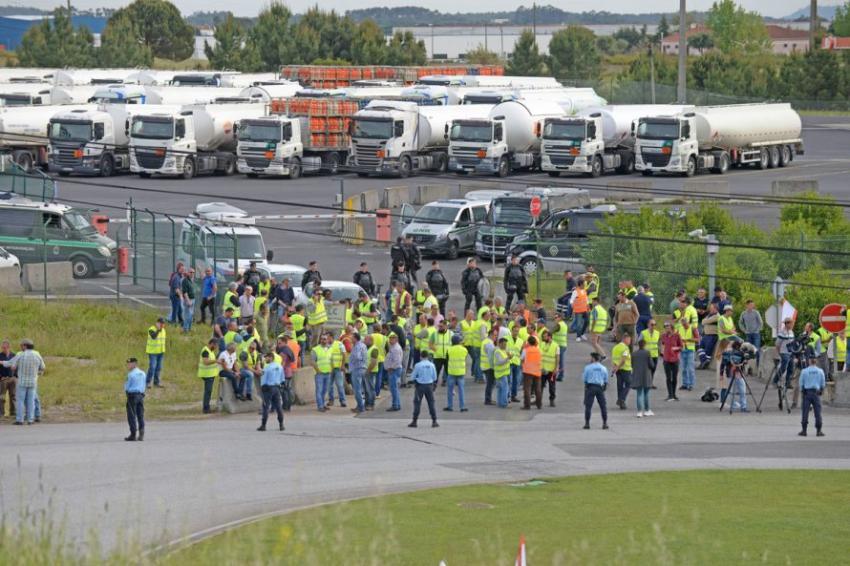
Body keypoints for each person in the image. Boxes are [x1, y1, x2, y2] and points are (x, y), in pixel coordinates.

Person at [2, 339, 44, 425]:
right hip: (33, 382)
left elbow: (10, 364)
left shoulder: (20, 354)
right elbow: (43, 367)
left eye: (21, 345)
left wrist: (2, 362)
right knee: (31, 401)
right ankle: (30, 419)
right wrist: (37, 372)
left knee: (20, 400)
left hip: (22, 382)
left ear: (25, 346)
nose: (20, 347)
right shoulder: (37, 354)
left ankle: (20, 419)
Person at [408, 351, 439, 428]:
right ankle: (434, 421)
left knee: (417, 403)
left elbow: (412, 377)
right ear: (428, 356)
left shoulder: (418, 365)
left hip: (420, 387)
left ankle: (414, 421)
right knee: (431, 403)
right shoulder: (432, 365)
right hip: (429, 386)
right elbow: (435, 377)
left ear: (421, 356)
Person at [798, 356, 825, 437]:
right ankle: (819, 431)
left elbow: (801, 383)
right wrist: (821, 390)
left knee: (805, 411)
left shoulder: (804, 371)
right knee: (818, 412)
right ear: (816, 361)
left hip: (807, 392)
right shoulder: (820, 371)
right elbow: (823, 383)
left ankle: (804, 430)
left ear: (809, 361)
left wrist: (802, 391)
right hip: (816, 393)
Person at [258, 352, 285, 432]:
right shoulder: (279, 366)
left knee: (266, 407)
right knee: (278, 407)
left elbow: (263, 380)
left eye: (266, 358)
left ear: (270, 357)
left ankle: (263, 425)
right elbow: (282, 379)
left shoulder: (267, 368)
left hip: (268, 388)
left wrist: (262, 389)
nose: (265, 359)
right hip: (277, 388)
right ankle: (281, 425)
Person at [582, 352, 609, 430]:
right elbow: (606, 379)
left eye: (591, 358)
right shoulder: (603, 368)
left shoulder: (588, 367)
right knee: (603, 406)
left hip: (590, 387)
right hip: (600, 387)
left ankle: (587, 423)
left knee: (588, 406)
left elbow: (584, 379)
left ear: (593, 358)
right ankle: (605, 423)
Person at [124, 357, 146, 441]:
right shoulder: (143, 373)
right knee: (140, 414)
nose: (128, 365)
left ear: (135, 364)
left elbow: (127, 386)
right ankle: (141, 433)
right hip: (140, 395)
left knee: (131, 415)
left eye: (129, 364)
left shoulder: (131, 374)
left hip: (132, 395)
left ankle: (133, 434)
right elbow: (144, 384)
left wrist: (126, 392)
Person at [444, 335, 468, 412]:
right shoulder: (464, 350)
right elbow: (465, 358)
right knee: (461, 390)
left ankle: (450, 406)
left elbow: (447, 361)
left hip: (451, 372)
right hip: (461, 372)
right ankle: (462, 407)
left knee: (450, 390)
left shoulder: (449, 350)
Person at [660, 321, 683, 401]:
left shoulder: (677, 336)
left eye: (668, 327)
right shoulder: (663, 336)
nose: (667, 329)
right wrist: (662, 352)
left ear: (672, 328)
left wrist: (675, 348)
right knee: (668, 377)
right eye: (665, 328)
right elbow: (662, 344)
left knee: (675, 377)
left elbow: (681, 347)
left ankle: (674, 394)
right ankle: (670, 394)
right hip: (666, 359)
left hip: (675, 359)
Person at [631, 339, 654, 418]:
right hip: (646, 375)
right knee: (646, 393)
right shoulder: (647, 353)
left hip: (637, 375)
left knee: (639, 393)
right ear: (645, 345)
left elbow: (632, 364)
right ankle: (647, 410)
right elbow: (651, 365)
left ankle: (639, 411)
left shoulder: (634, 354)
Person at [738, 300, 764, 369]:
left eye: (753, 305)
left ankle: (758, 366)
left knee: (756, 350)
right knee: (747, 351)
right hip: (748, 334)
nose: (752, 306)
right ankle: (746, 367)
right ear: (747, 305)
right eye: (750, 305)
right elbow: (740, 322)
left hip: (756, 334)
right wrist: (744, 330)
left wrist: (757, 330)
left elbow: (761, 322)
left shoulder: (756, 312)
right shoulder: (743, 313)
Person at [311, 333, 333, 412]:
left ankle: (323, 404)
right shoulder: (315, 349)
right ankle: (320, 406)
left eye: (325, 339)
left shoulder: (330, 348)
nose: (323, 340)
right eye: (322, 339)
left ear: (327, 340)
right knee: (319, 390)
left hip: (328, 373)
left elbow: (331, 359)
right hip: (319, 373)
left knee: (324, 390)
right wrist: (318, 370)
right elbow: (312, 362)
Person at [520, 335, 543, 410]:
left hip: (528, 371)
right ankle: (539, 404)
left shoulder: (525, 350)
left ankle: (527, 405)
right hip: (537, 371)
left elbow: (522, 359)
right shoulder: (538, 350)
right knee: (538, 388)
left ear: (528, 342)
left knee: (527, 388)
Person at [349, 332, 369, 413]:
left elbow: (357, 357)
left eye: (352, 337)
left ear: (355, 338)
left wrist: (352, 362)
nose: (350, 339)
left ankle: (360, 407)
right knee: (361, 389)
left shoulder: (357, 346)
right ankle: (360, 405)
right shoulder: (363, 345)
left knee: (357, 389)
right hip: (363, 368)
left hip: (357, 368)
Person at [677, 317, 700, 391]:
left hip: (690, 350)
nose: (684, 324)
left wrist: (688, 340)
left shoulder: (693, 328)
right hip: (683, 350)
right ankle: (685, 384)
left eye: (685, 323)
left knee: (690, 368)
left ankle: (691, 384)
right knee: (683, 368)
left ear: (688, 322)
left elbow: (698, 339)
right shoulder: (680, 329)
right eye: (682, 323)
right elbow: (677, 338)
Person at [197, 339, 219, 414]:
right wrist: (216, 361)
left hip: (210, 374)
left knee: (209, 392)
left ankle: (207, 407)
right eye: (215, 345)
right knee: (208, 391)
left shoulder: (210, 351)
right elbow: (206, 362)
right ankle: (206, 408)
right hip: (207, 374)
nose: (216, 347)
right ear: (212, 344)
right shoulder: (205, 351)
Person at [384, 333, 404, 412]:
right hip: (395, 369)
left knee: (393, 389)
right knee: (395, 388)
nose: (390, 340)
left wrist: (391, 368)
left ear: (396, 339)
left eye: (392, 338)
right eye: (390, 338)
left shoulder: (395, 348)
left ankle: (395, 405)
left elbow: (397, 361)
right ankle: (397, 404)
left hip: (394, 370)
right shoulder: (394, 347)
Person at [611, 334, 632, 410]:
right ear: (625, 339)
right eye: (629, 340)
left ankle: (621, 404)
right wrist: (618, 367)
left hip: (618, 370)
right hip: (625, 369)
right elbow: (623, 360)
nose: (630, 342)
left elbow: (613, 359)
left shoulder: (615, 347)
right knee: (628, 384)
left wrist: (614, 368)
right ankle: (621, 399)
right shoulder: (625, 348)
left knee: (619, 385)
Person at [774, 318, 796, 387]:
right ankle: (775, 380)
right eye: (791, 323)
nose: (792, 325)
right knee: (783, 367)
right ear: (787, 324)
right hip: (784, 352)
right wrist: (779, 353)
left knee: (791, 368)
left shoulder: (791, 332)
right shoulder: (782, 333)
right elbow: (777, 344)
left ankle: (788, 383)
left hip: (791, 352)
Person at [145, 317, 167, 388]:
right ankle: (147, 382)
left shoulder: (163, 330)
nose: (162, 325)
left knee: (159, 367)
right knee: (152, 367)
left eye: (163, 323)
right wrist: (158, 329)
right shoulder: (151, 329)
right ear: (157, 323)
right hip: (153, 352)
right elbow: (153, 336)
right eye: (161, 323)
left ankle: (156, 382)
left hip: (161, 352)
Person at [539, 330, 559, 407]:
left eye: (545, 336)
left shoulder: (555, 346)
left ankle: (552, 400)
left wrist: (556, 368)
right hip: (542, 369)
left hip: (551, 370)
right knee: (540, 386)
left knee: (552, 386)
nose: (543, 338)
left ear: (549, 337)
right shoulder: (542, 344)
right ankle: (539, 400)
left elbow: (557, 358)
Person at [327, 334, 348, 408]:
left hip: (338, 368)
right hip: (329, 368)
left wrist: (343, 365)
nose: (327, 340)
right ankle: (331, 400)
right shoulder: (326, 346)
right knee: (329, 385)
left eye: (328, 338)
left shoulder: (339, 344)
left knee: (339, 385)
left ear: (332, 338)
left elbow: (344, 354)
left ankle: (343, 401)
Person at [698, 303, 719, 369]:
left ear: (715, 308)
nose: (710, 309)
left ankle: (704, 364)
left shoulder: (717, 316)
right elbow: (702, 321)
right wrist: (706, 321)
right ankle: (703, 361)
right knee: (700, 348)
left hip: (712, 335)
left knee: (708, 350)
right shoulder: (709, 315)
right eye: (710, 308)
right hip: (705, 335)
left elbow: (704, 321)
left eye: (712, 308)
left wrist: (706, 321)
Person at [640, 319, 660, 387]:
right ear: (648, 325)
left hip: (654, 354)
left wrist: (660, 351)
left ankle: (650, 383)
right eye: (652, 324)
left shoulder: (657, 333)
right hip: (646, 355)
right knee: (646, 370)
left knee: (653, 369)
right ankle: (645, 383)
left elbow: (659, 343)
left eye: (655, 324)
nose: (653, 326)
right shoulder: (643, 333)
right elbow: (639, 342)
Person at [0, 339, 16, 419]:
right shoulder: (0, 355)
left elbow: (17, 366)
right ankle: (1, 413)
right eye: (2, 347)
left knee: (13, 396)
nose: (3, 349)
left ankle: (13, 413)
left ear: (9, 347)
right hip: (3, 379)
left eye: (5, 347)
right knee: (2, 397)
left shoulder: (14, 355)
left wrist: (15, 376)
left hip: (12, 379)